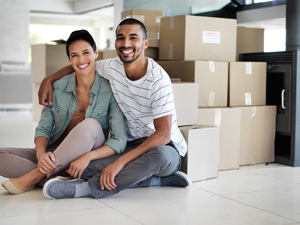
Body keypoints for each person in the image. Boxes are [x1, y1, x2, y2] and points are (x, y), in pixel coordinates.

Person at [39, 18, 190, 200]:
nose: (126, 44)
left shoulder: (158, 79)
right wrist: (48, 79)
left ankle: (86, 188)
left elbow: (163, 135)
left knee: (159, 156)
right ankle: (153, 180)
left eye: (133, 38)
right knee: (82, 167)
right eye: (121, 38)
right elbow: (82, 64)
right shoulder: (111, 67)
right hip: (133, 144)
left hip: (166, 148)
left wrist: (120, 162)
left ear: (145, 43)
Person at [0, 30, 127, 195]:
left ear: (95, 53)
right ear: (69, 59)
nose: (81, 60)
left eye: (86, 53)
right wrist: (41, 155)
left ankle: (34, 177)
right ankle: (58, 177)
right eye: (74, 55)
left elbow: (119, 139)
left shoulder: (110, 90)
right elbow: (44, 128)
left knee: (89, 125)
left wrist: (88, 157)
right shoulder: (58, 87)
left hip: (85, 156)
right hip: (54, 152)